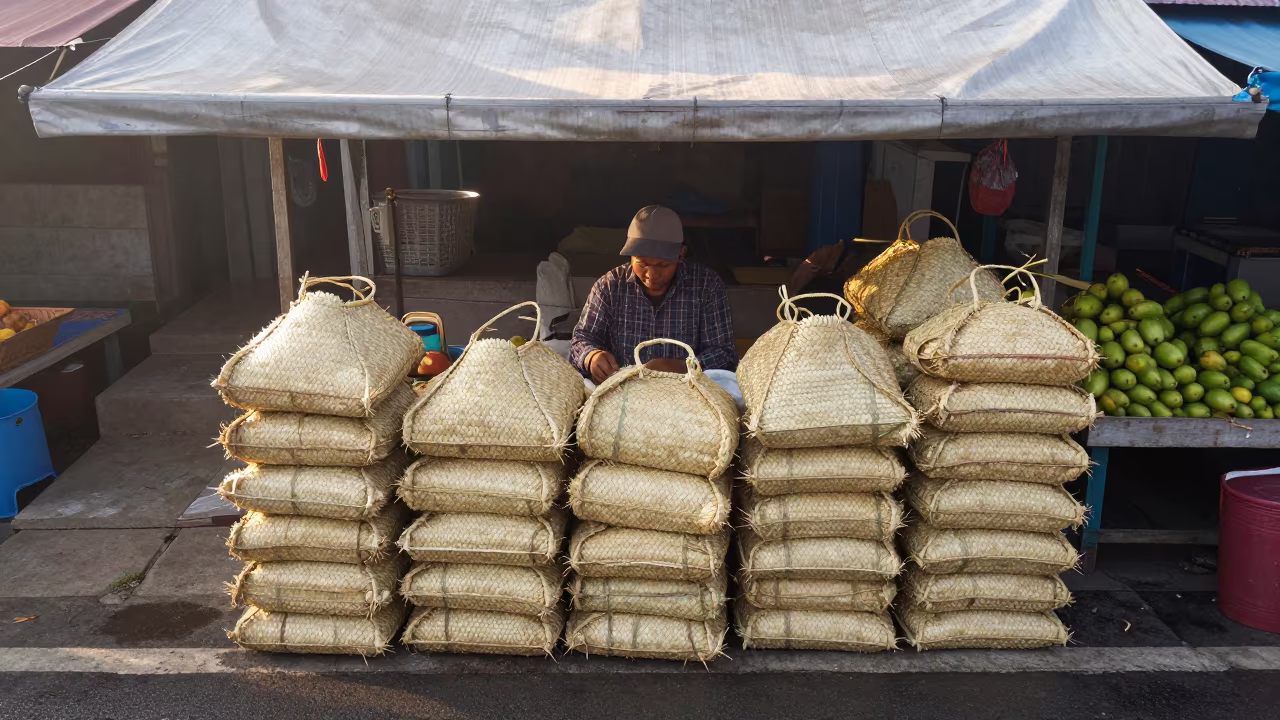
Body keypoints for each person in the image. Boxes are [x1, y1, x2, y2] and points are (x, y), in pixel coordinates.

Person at [570, 205, 737, 382]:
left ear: (681, 254)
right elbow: (582, 338)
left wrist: (684, 366)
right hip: (623, 392)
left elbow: (724, 352)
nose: (651, 274)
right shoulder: (610, 286)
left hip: (687, 394)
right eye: (641, 263)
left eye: (663, 265)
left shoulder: (706, 286)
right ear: (631, 256)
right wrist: (591, 357)